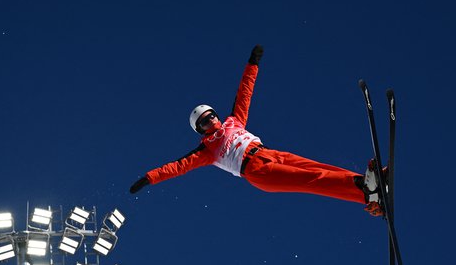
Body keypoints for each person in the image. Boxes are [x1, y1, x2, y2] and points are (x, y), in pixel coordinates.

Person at [129, 45, 385, 216]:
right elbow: (177, 167)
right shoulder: (207, 150)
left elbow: (244, 94)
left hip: (270, 153)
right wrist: (149, 178)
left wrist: (252, 64)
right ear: (200, 130)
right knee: (312, 179)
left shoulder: (234, 121)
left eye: (212, 116)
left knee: (316, 167)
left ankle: (370, 195)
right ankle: (364, 186)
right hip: (257, 171)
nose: (212, 122)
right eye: (205, 123)